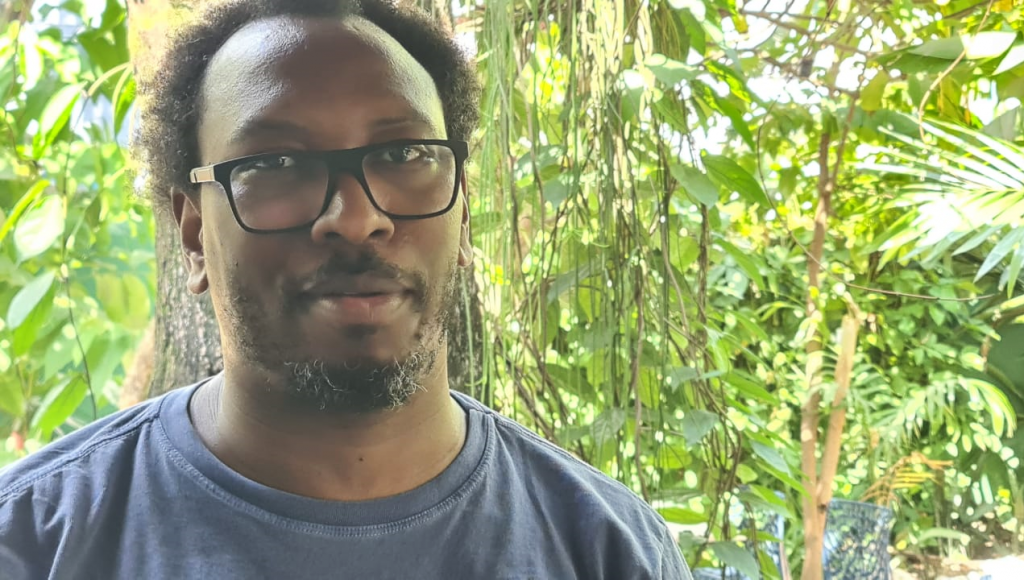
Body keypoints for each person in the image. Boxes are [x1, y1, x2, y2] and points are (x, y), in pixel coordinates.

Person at [0, 1, 691, 578]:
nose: (357, 219)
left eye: (404, 154)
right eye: (276, 163)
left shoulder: (611, 551)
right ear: (192, 235)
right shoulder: (36, 542)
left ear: (462, 206)